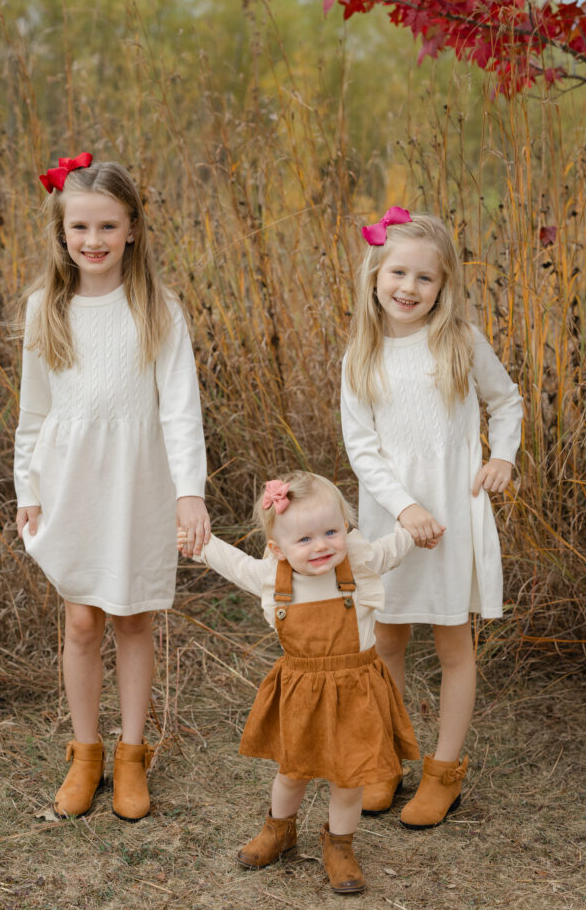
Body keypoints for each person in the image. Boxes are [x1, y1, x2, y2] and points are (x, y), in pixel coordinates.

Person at [14, 153, 210, 822]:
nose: (92, 241)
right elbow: (33, 412)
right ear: (61, 232)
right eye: (79, 228)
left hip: (138, 481)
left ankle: (132, 755)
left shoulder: (156, 308)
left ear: (132, 228)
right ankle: (86, 753)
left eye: (106, 226)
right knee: (79, 618)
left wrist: (190, 492)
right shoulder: (48, 307)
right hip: (68, 481)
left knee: (131, 616)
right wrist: (26, 491)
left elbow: (181, 409)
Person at [341, 207, 523, 828]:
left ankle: (444, 772)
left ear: (443, 286)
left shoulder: (461, 343)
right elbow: (361, 447)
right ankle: (387, 759)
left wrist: (502, 456)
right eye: (398, 273)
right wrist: (405, 508)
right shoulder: (360, 355)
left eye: (425, 278)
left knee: (452, 640)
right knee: (386, 638)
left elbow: (506, 402)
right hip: (392, 517)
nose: (409, 288)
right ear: (374, 275)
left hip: (452, 513)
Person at [177, 471, 420, 894]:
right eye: (304, 540)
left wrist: (416, 529)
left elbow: (390, 550)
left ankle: (339, 843)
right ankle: (279, 830)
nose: (321, 545)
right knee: (293, 772)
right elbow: (235, 565)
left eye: (331, 531)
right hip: (302, 693)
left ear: (346, 529)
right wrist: (200, 545)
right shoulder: (274, 577)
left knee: (349, 778)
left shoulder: (357, 562)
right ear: (278, 548)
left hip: (357, 691)